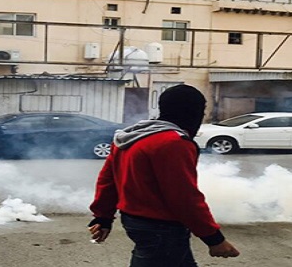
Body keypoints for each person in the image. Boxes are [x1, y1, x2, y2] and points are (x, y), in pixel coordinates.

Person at [88, 84, 240, 266]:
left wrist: (103, 217)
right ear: (193, 111)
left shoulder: (132, 136)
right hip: (161, 227)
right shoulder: (173, 143)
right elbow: (184, 197)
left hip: (134, 221)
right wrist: (214, 239)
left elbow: (108, 179)